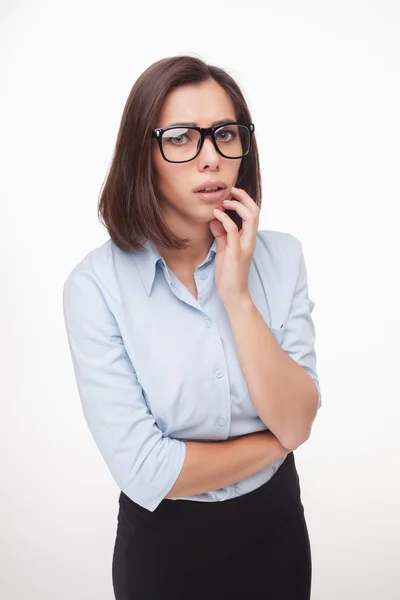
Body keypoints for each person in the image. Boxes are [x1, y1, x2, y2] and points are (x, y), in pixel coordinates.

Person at [63, 55, 322, 600]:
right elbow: (145, 470)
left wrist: (237, 297)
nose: (210, 157)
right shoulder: (96, 287)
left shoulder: (283, 259)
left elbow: (297, 418)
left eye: (225, 134)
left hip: (275, 529)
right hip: (164, 547)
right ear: (144, 152)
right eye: (181, 137)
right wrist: (277, 440)